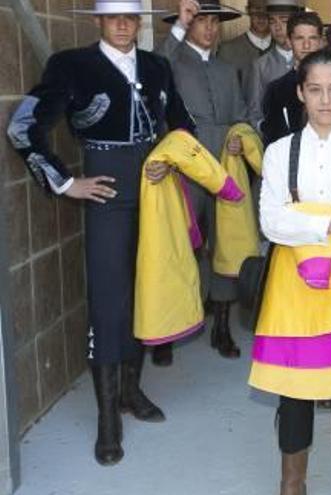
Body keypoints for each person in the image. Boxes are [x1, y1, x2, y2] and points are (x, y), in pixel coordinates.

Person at [6, 0, 194, 465]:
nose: (124, 25)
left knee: (147, 291)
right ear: (99, 22)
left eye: (131, 18)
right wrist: (67, 183)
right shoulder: (72, 65)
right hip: (106, 193)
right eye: (115, 18)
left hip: (155, 193)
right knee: (110, 302)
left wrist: (170, 161)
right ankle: (107, 420)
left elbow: (182, 127)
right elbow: (23, 125)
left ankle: (132, 391)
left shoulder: (156, 65)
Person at [250, 50, 331, 495]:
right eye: (314, 90)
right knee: (294, 389)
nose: (324, 100)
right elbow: (270, 222)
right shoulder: (277, 152)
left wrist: (302, 222)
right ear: (300, 94)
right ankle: (293, 484)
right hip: (293, 289)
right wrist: (330, 223)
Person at [156, 0, 249, 365]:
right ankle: (165, 329)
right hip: (184, 165)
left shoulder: (227, 69)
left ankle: (221, 326)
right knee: (177, 246)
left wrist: (242, 136)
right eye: (201, 22)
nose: (209, 29)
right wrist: (178, 26)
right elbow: (155, 64)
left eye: (214, 23)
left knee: (224, 244)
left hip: (223, 164)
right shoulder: (171, 62)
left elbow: (241, 115)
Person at [261, 12, 331, 145]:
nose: (306, 45)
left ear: (321, 42)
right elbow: (272, 141)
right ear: (289, 42)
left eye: (312, 38)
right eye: (299, 38)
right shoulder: (276, 90)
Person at [246, 0, 304, 124]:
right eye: (272, 21)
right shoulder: (260, 65)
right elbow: (254, 113)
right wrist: (268, 133)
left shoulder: (311, 61)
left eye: (284, 21)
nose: (277, 27)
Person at [218, 0, 271, 88]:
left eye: (267, 10)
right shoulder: (227, 51)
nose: (261, 16)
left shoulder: (283, 49)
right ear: (248, 10)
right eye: (257, 9)